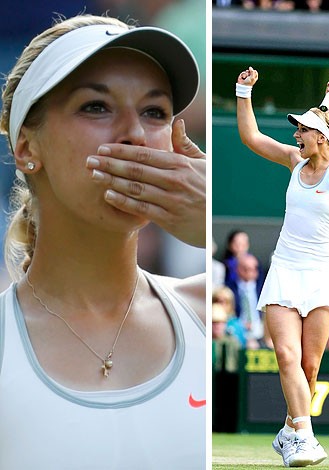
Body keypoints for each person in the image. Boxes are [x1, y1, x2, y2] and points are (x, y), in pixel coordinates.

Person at [0, 14, 207, 468]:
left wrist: (211, 227)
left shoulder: (209, 310)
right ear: (26, 148)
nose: (136, 134)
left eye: (155, 112)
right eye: (96, 106)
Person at [236, 65, 329, 467]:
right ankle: (305, 436)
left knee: (309, 364)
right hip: (285, 268)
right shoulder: (293, 161)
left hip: (322, 275)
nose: (295, 135)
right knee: (286, 355)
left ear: (320, 136)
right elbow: (250, 137)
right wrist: (242, 90)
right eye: (297, 130)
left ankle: (289, 429)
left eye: (301, 129)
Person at [226, 252, 265, 349]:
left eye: (253, 268)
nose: (250, 272)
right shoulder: (229, 288)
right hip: (237, 332)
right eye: (246, 268)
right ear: (237, 269)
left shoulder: (264, 288)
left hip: (261, 331)